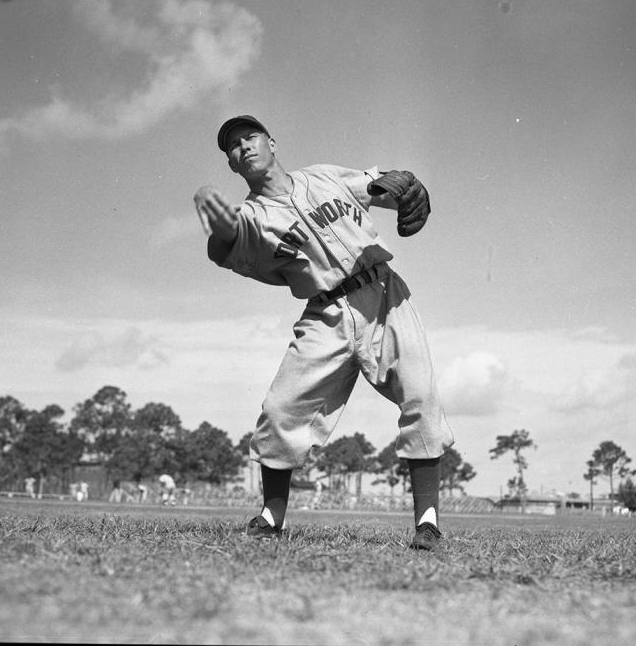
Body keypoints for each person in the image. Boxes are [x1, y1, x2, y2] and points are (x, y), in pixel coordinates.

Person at [194, 115, 454, 550]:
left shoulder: (322, 177)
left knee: (421, 395)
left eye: (250, 137)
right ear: (233, 167)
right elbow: (229, 245)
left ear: (272, 142)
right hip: (325, 313)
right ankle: (270, 517)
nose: (243, 147)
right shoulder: (253, 217)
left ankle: (427, 522)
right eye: (233, 147)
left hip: (384, 294)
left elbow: (378, 187)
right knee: (281, 409)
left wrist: (402, 187)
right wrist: (220, 232)